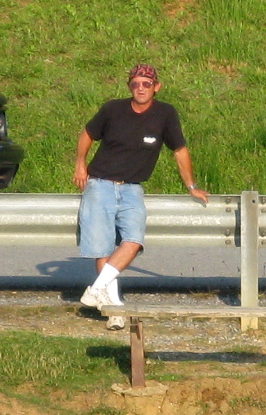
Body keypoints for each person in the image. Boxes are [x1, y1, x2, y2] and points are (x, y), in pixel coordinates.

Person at [73, 64, 209, 330]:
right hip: (100, 184)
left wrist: (191, 186)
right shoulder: (113, 109)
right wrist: (80, 163)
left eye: (147, 84)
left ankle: (95, 290)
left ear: (156, 87)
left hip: (132, 187)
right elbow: (88, 134)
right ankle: (115, 312)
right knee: (102, 249)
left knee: (133, 241)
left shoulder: (165, 114)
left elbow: (179, 150)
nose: (141, 88)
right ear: (129, 87)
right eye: (136, 84)